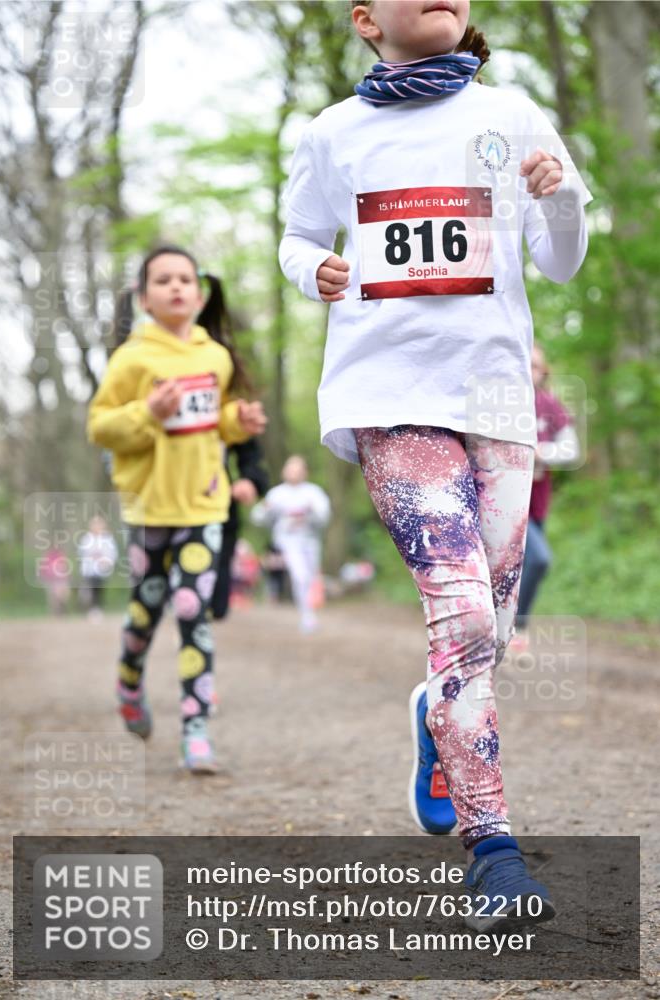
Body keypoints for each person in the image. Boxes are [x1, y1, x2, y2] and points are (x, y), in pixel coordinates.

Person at [279, 0, 592, 930]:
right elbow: (298, 238)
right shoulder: (334, 132)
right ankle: (492, 848)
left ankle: (436, 721)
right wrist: (314, 272)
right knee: (458, 617)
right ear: (364, 19)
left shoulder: (512, 115)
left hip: (494, 399)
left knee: (482, 634)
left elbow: (563, 261)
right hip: (390, 396)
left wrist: (560, 196)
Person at [88, 244, 267, 773]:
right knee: (144, 614)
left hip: (204, 507)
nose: (176, 288)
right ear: (143, 297)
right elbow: (100, 426)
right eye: (162, 280)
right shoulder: (131, 358)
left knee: (193, 612)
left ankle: (195, 729)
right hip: (148, 511)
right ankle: (128, 679)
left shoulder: (215, 356)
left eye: (185, 279)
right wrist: (148, 411)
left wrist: (241, 422)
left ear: (200, 290)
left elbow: (217, 422)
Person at [510, 343, 581, 653]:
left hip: (535, 503)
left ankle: (509, 628)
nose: (530, 370)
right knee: (537, 559)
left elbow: (572, 450)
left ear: (544, 372)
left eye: (536, 365)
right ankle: (513, 627)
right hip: (501, 503)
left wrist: (542, 452)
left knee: (525, 564)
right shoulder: (500, 403)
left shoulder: (550, 406)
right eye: (525, 363)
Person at [251, 456, 331, 633]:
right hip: (288, 541)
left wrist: (312, 512)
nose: (294, 473)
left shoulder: (313, 492)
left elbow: (324, 517)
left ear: (305, 472)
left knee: (309, 577)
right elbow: (257, 517)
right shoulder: (277, 494)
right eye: (291, 469)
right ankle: (307, 616)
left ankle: (308, 609)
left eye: (298, 469)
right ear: (284, 471)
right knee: (299, 575)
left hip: (310, 540)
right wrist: (266, 508)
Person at [210, 437, 269, 620]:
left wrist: (250, 480)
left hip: (219, 508)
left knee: (217, 608)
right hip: (165, 510)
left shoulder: (227, 411)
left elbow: (249, 451)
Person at [77, 515, 119, 622]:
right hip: (89, 570)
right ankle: (90, 609)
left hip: (101, 571)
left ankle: (96, 610)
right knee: (89, 589)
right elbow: (82, 553)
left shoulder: (107, 538)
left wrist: (106, 561)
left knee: (99, 590)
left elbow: (112, 553)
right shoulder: (86, 539)